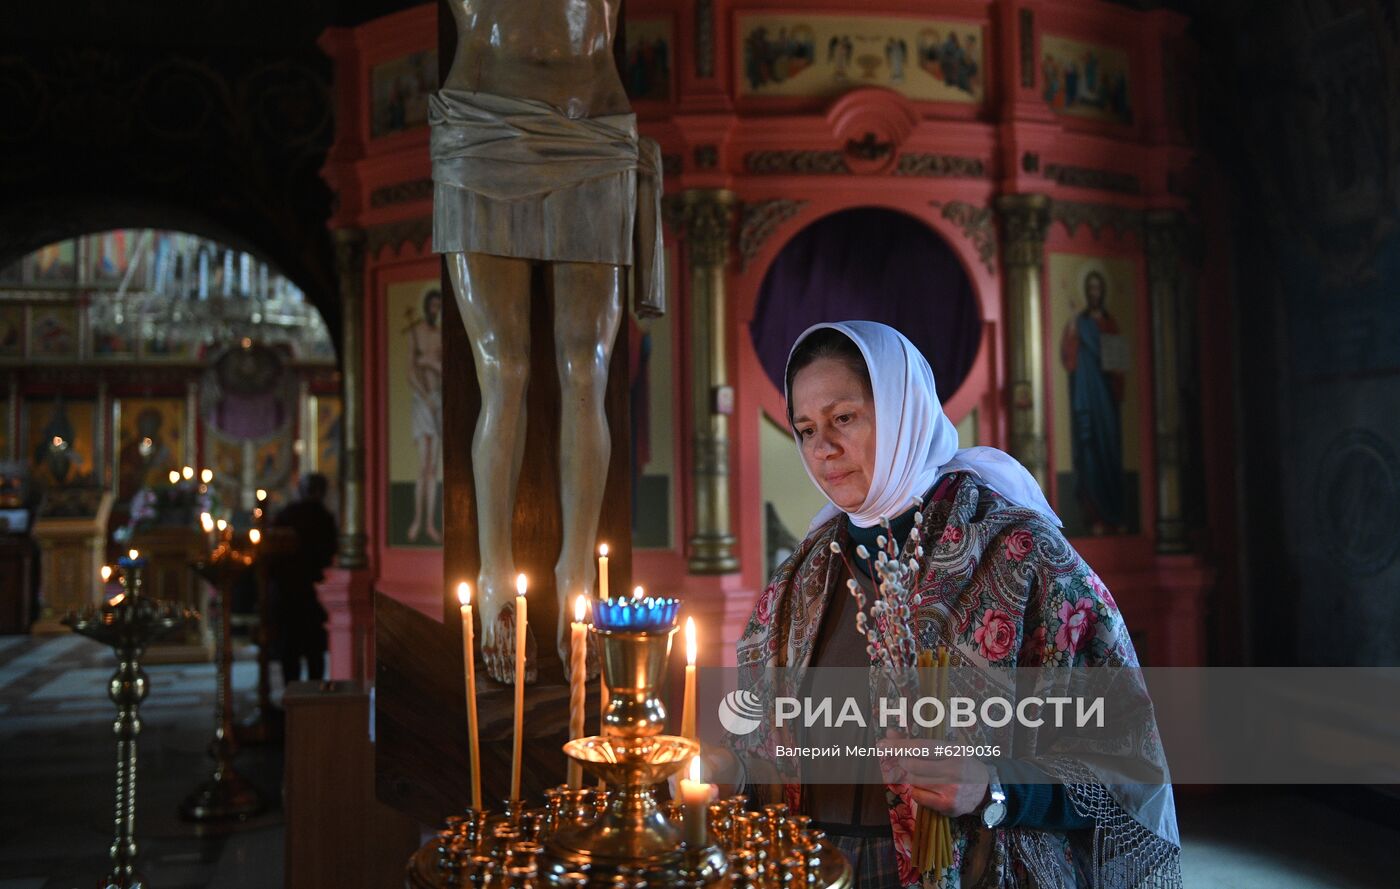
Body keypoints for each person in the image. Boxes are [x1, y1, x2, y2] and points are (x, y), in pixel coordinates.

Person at [708, 322, 1180, 888]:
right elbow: (765, 749)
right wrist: (725, 772)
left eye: (844, 418)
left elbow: (1128, 762)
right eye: (806, 429)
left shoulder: (1021, 554)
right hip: (808, 870)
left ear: (903, 410)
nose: (823, 449)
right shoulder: (800, 580)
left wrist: (996, 787)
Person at [1060, 271, 1126, 534]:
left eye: (1099, 288)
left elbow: (1118, 365)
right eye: (1091, 289)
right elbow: (1069, 359)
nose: (1095, 293)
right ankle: (1094, 514)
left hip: (1106, 402)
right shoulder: (1079, 323)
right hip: (1085, 398)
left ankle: (1114, 514)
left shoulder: (1110, 324)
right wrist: (1074, 335)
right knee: (1088, 454)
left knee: (1109, 451)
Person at [269, 473, 338, 683]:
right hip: (312, 592)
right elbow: (329, 554)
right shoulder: (325, 518)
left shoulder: (287, 514)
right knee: (313, 649)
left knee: (291, 649)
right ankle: (313, 698)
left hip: (287, 591)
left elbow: (272, 553)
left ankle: (293, 698)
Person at [406, 288, 443, 544]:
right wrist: (425, 395)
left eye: (439, 307)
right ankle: (418, 520)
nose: (435, 311)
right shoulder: (415, 333)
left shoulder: (442, 335)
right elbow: (410, 370)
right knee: (423, 466)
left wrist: (431, 364)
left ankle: (431, 523)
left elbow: (442, 366)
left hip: (438, 399)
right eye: (432, 306)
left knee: (433, 468)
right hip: (422, 401)